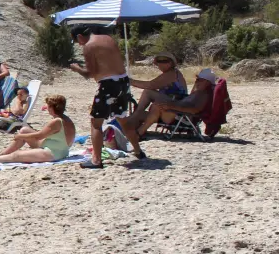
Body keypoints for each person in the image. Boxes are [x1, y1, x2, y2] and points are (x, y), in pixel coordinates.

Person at [67, 26, 132, 168]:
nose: (80, 45)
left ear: (79, 36)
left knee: (96, 123)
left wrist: (77, 68)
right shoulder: (108, 38)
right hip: (123, 81)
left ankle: (96, 160)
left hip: (108, 84)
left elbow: (89, 73)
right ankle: (138, 151)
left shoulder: (89, 46)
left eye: (77, 41)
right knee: (122, 118)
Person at [122, 68, 217, 156]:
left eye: (199, 80)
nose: (197, 82)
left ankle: (138, 134)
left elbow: (195, 110)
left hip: (183, 118)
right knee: (140, 114)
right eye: (197, 79)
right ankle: (126, 131)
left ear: (207, 82)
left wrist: (171, 106)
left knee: (157, 106)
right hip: (177, 112)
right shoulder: (199, 91)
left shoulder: (204, 94)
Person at [0, 95, 76, 166]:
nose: (47, 108)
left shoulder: (56, 121)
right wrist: (23, 134)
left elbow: (39, 136)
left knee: (18, 155)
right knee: (24, 130)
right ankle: (2, 155)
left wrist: (20, 137)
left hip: (53, 153)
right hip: (58, 148)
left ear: (52, 107)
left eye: (48, 106)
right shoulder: (65, 119)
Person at [123, 52, 188, 131]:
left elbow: (151, 85)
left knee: (148, 92)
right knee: (146, 97)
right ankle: (136, 117)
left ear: (171, 63)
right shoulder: (171, 73)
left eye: (165, 61)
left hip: (175, 107)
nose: (161, 64)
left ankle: (136, 115)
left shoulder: (172, 74)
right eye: (159, 61)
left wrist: (130, 82)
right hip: (171, 104)